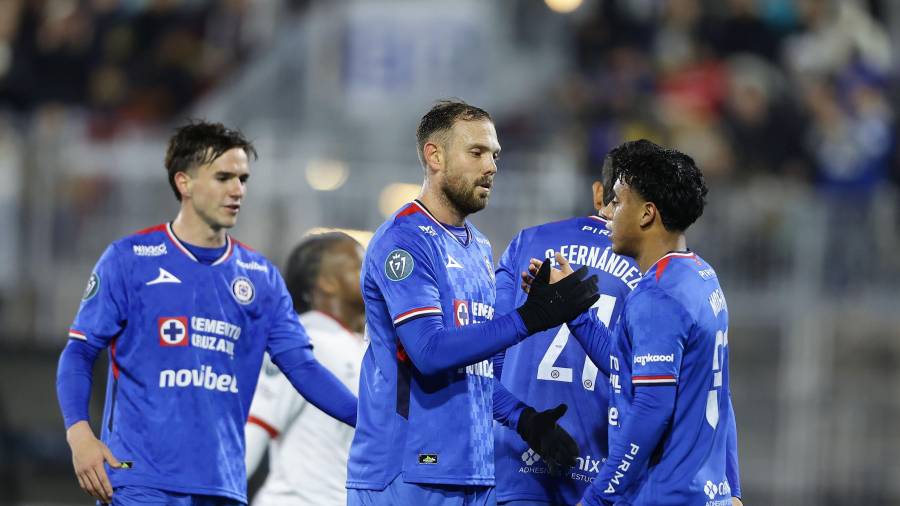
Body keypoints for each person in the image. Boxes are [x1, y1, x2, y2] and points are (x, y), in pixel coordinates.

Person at [55, 120, 358, 505]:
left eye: (243, 179)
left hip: (221, 488)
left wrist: (368, 420)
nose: (237, 190)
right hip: (139, 483)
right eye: (223, 177)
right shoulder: (129, 260)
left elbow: (303, 368)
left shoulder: (260, 277)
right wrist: (79, 434)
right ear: (185, 183)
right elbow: (79, 352)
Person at [346, 99, 600, 506]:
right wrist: (530, 317)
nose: (492, 166)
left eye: (495, 155)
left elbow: (472, 367)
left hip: (474, 472)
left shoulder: (478, 248)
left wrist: (524, 419)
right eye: (477, 152)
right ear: (435, 155)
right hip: (407, 473)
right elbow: (428, 352)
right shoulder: (404, 240)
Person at [536, 140, 742, 505]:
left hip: (665, 496)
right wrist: (732, 489)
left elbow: (651, 408)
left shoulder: (658, 297)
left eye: (618, 201)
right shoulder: (700, 276)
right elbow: (719, 395)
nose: (609, 212)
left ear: (646, 214)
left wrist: (599, 496)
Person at [493, 155, 640, 505]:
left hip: (518, 454)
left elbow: (492, 356)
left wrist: (518, 415)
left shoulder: (527, 242)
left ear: (598, 192)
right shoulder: (651, 266)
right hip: (604, 464)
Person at [245, 232, 366, 505]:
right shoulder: (302, 343)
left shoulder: (362, 348)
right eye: (358, 265)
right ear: (326, 282)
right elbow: (255, 429)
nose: (370, 273)